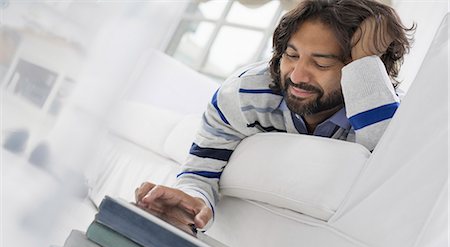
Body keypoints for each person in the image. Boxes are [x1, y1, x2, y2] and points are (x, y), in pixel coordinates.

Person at [135, 0, 415, 230]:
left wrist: (366, 65)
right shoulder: (243, 94)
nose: (297, 75)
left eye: (321, 63)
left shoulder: (377, 108)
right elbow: (200, 173)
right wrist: (194, 201)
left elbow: (394, 179)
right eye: (291, 56)